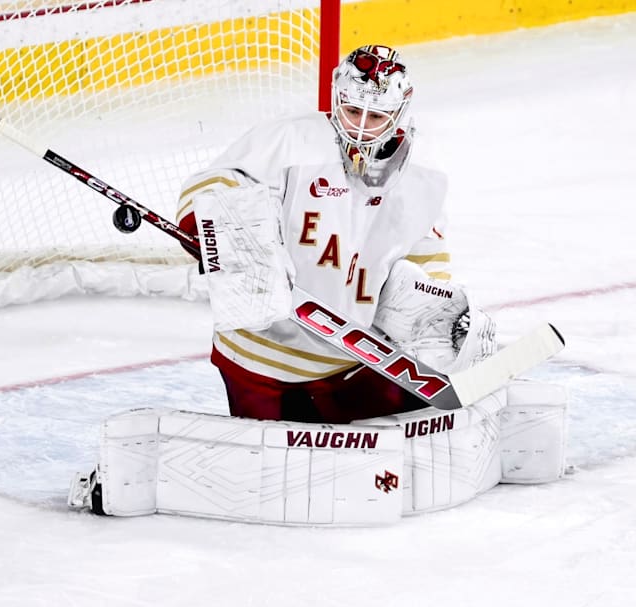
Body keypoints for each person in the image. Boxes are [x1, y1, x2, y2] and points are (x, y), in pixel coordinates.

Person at [175, 44, 484, 424]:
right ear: (337, 98)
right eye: (353, 111)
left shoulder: (423, 179)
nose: (360, 126)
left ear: (401, 110)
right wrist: (236, 242)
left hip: (347, 359)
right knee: (274, 469)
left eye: (376, 116)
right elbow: (208, 191)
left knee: (389, 440)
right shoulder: (290, 141)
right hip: (257, 354)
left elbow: (425, 260)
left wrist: (437, 310)